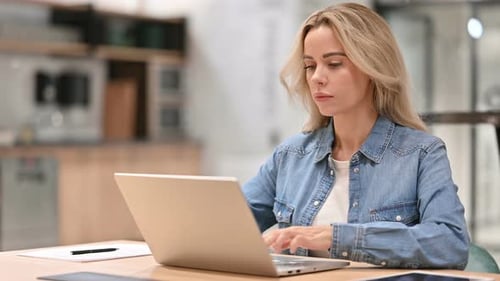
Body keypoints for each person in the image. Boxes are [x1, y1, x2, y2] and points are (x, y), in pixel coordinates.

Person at [242, 2, 470, 269]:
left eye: (334, 64)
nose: (317, 77)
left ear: (372, 67)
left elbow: (450, 244)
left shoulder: (421, 153)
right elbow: (226, 226)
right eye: (309, 66)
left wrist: (337, 237)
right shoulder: (290, 156)